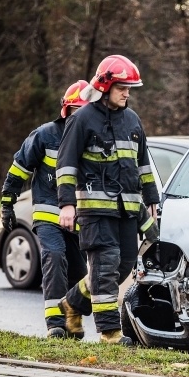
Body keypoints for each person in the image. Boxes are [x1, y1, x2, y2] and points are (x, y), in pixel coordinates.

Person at [55, 54, 159, 345]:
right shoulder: (82, 119)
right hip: (95, 212)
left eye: (130, 88)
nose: (127, 93)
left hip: (128, 210)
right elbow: (65, 165)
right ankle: (110, 332)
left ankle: (72, 304)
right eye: (122, 87)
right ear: (105, 86)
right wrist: (66, 204)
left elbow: (143, 165)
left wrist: (151, 199)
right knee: (104, 266)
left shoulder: (132, 120)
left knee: (122, 266)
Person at [0, 80, 90, 339]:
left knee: (80, 273)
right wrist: (8, 204)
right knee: (54, 255)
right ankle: (55, 324)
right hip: (48, 213)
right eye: (77, 111)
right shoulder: (45, 135)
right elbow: (19, 170)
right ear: (66, 110)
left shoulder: (92, 141)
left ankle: (72, 316)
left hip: (79, 219)